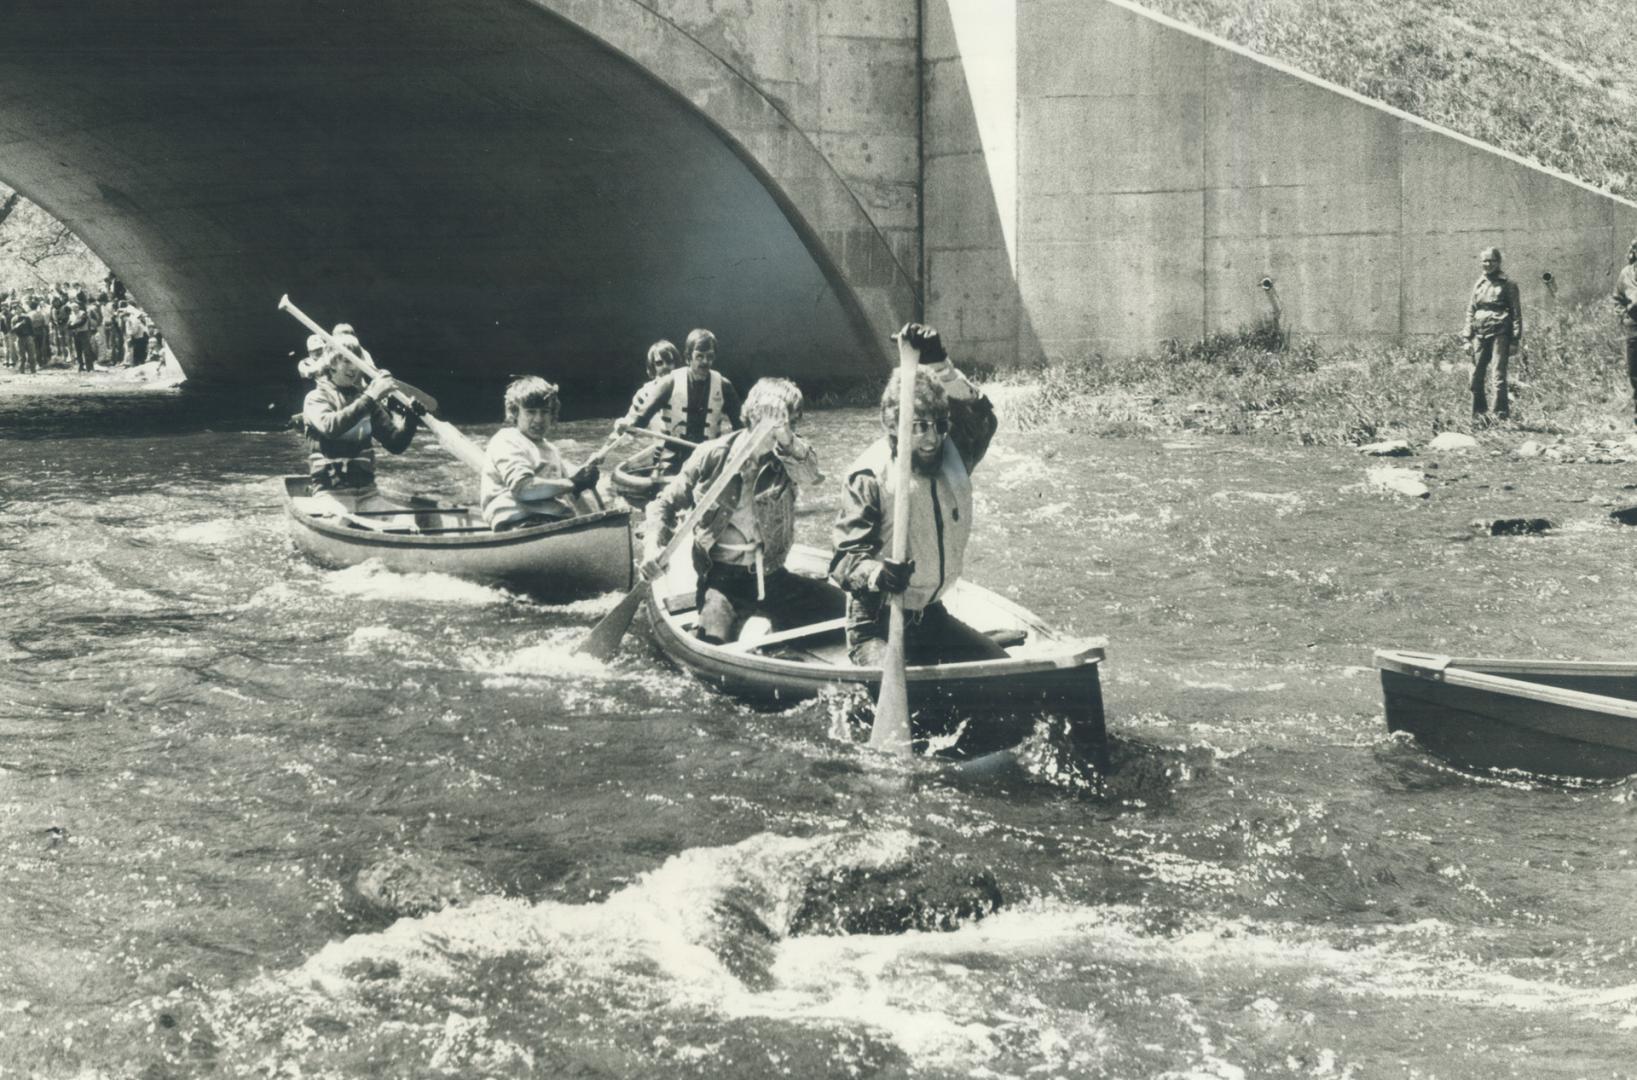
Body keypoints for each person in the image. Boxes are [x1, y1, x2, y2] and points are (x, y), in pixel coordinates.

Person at [830, 322, 1003, 667]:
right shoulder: (870, 476)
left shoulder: (955, 454)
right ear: (894, 426)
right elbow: (844, 561)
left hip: (930, 615)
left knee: (1012, 680)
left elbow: (984, 418)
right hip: (877, 624)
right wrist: (879, 574)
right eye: (918, 426)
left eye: (938, 425)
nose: (930, 439)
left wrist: (941, 363)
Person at [641, 377, 826, 645]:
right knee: (713, 643)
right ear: (753, 415)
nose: (783, 428)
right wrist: (652, 547)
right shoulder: (712, 456)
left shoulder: (788, 458)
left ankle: (770, 628)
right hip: (722, 581)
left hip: (772, 576)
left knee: (849, 614)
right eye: (775, 419)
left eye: (789, 422)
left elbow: (811, 475)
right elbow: (664, 504)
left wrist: (787, 438)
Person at [298, 343, 420, 516]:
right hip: (330, 493)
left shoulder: (366, 401)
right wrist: (370, 397)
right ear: (331, 364)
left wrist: (411, 419)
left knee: (406, 522)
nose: (353, 367)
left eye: (356, 361)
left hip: (367, 494)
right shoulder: (315, 398)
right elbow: (330, 428)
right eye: (347, 361)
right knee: (342, 520)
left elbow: (396, 444)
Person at [479, 376, 600, 531]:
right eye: (530, 412)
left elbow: (571, 493)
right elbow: (523, 488)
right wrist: (573, 483)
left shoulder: (551, 449)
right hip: (519, 524)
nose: (538, 419)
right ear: (515, 412)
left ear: (552, 414)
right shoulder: (507, 439)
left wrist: (593, 523)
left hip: (551, 522)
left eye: (545, 412)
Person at [625, 328, 743, 473]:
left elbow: (741, 428)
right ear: (688, 357)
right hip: (673, 459)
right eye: (699, 356)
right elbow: (640, 419)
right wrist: (626, 425)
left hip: (709, 458)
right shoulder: (669, 382)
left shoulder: (724, 386)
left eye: (710, 356)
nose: (705, 362)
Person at [1463, 247, 1523, 419]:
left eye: (1492, 261)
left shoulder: (1508, 284)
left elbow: (1516, 313)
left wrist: (1514, 340)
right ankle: (1479, 416)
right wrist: (1467, 338)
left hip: (1500, 333)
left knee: (1498, 376)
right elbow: (1470, 310)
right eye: (1485, 261)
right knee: (1475, 376)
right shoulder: (1479, 283)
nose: (1488, 264)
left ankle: (1500, 416)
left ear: (1498, 262)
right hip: (1480, 333)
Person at [619, 339, 681, 433]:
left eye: (669, 362)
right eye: (659, 363)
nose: (665, 366)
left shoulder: (687, 387)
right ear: (653, 366)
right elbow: (630, 425)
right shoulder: (644, 393)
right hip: (660, 447)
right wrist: (623, 426)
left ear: (676, 363)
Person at [1611, 237, 1637, 426]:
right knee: (1633, 372)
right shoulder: (1626, 274)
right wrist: (1623, 315)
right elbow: (1617, 298)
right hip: (1633, 328)